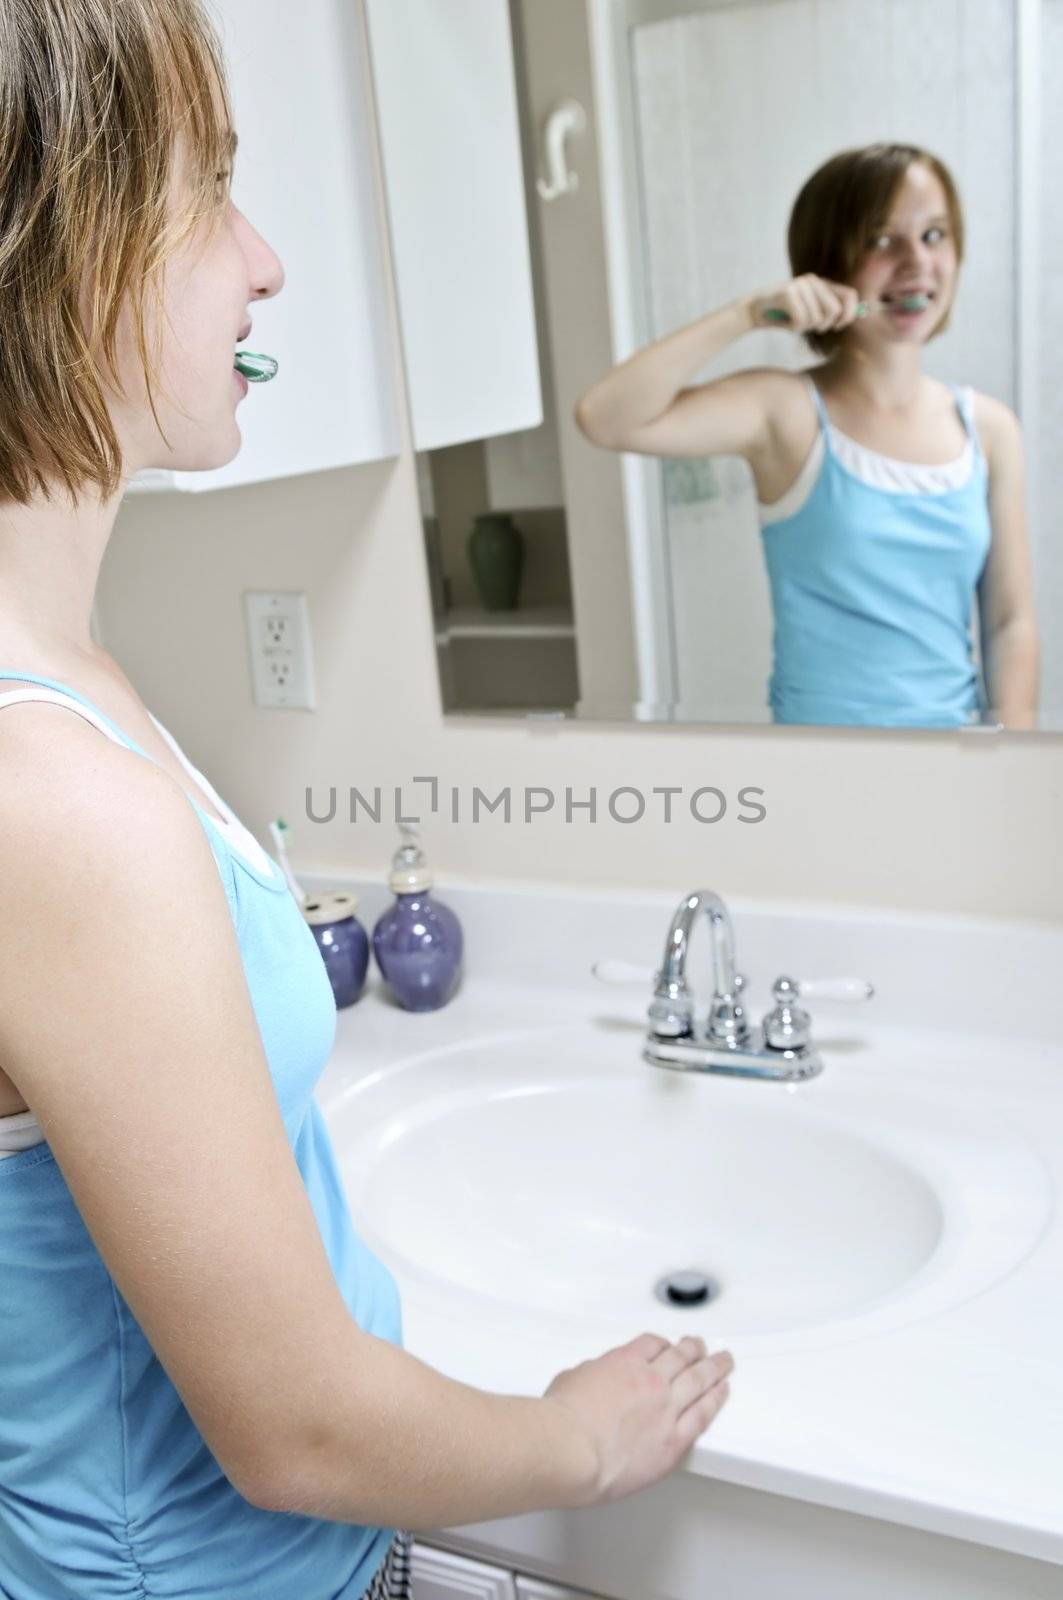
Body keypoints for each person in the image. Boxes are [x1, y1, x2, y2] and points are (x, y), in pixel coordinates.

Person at [0, 2, 734, 1597]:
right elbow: (297, 1431)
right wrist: (573, 1439)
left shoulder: (67, 683)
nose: (264, 261)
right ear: (60, 238)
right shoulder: (47, 791)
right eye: (210, 191)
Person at [576, 142, 1040, 729]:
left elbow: (1009, 621)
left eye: (934, 235)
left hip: (958, 763)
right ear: (827, 262)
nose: (917, 262)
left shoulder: (988, 430)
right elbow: (606, 416)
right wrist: (747, 312)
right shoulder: (785, 412)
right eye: (881, 239)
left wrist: (1009, 758)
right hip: (816, 767)